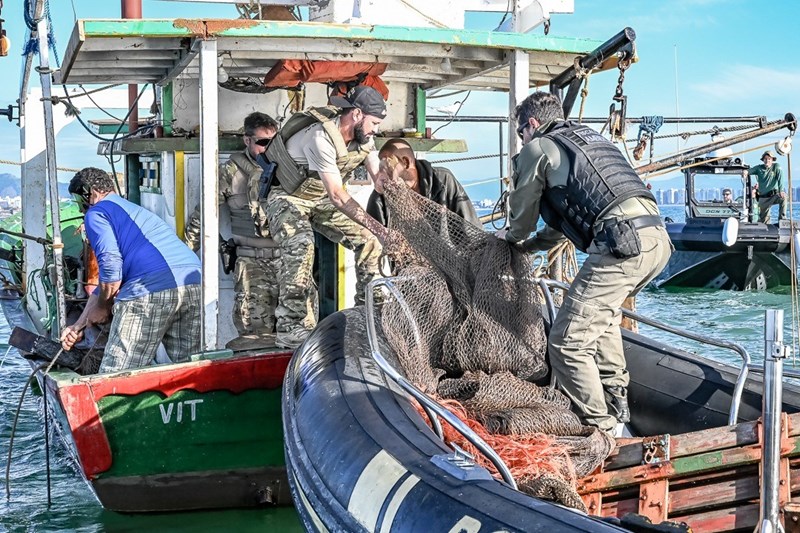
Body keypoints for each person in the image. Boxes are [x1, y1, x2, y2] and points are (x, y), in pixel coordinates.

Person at [499, 91, 672, 435]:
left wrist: (511, 243)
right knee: (601, 318)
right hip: (656, 241)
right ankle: (615, 399)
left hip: (622, 245)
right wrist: (534, 246)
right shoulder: (589, 142)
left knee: (567, 341)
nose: (522, 140)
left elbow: (519, 223)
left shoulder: (538, 147)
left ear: (531, 125)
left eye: (521, 133)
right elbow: (566, 223)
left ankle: (601, 430)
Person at [263, 85, 391, 348]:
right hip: (288, 197)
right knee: (301, 246)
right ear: (357, 114)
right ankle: (292, 327)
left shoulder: (364, 139)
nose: (375, 129)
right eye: (374, 122)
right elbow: (338, 195)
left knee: (370, 242)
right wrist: (378, 226)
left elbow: (376, 177)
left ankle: (370, 316)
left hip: (319, 199)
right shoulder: (320, 137)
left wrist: (385, 179)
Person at [61, 167, 202, 372]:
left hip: (150, 289)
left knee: (118, 373)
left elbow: (110, 268)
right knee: (190, 367)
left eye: (78, 201)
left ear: (89, 193)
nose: (80, 209)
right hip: (193, 284)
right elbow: (103, 287)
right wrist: (78, 325)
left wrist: (102, 307)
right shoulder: (133, 211)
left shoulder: (96, 213)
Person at [185, 112, 280, 338]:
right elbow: (204, 215)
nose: (268, 149)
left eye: (274, 142)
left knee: (299, 329)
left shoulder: (286, 168)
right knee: (254, 333)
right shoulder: (231, 172)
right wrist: (184, 255)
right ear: (247, 140)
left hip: (287, 259)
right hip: (252, 263)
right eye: (262, 142)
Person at [366, 138, 481, 228]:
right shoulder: (380, 196)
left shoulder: (442, 180)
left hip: (447, 256)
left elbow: (469, 225)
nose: (384, 170)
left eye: (388, 164)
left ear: (405, 162)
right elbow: (371, 238)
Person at [749, 150, 786, 223]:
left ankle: (782, 220)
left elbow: (780, 178)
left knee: (784, 198)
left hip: (774, 195)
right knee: (764, 221)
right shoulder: (759, 168)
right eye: (765, 159)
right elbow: (749, 171)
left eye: (769, 159)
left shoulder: (776, 167)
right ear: (763, 160)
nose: (767, 160)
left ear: (772, 160)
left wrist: (781, 190)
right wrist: (746, 172)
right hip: (763, 198)